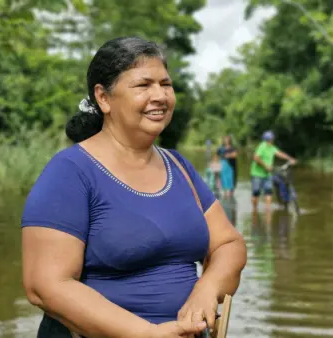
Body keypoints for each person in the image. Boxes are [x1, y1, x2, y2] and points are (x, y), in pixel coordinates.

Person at [20, 36, 247, 338]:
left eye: (165, 84)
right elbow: (44, 285)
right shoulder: (70, 172)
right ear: (103, 98)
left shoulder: (178, 167)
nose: (160, 96)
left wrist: (206, 289)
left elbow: (228, 245)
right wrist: (147, 333)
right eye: (143, 85)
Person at [250, 130, 296, 211]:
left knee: (268, 192)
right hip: (257, 174)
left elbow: (280, 154)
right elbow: (256, 157)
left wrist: (290, 159)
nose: (272, 140)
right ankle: (254, 210)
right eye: (271, 139)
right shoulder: (262, 146)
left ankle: (268, 211)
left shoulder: (272, 147)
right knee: (256, 192)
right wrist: (266, 166)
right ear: (267, 139)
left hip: (268, 174)